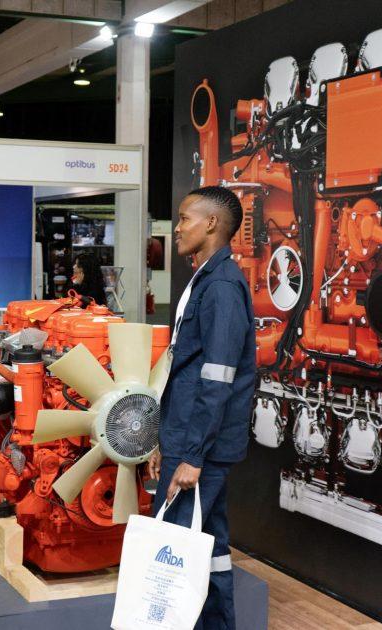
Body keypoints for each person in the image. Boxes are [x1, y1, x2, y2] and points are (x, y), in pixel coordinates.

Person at [147, 186, 256, 630]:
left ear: (211, 223)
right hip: (186, 434)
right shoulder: (206, 279)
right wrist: (162, 439)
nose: (177, 228)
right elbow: (187, 369)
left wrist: (191, 455)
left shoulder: (222, 287)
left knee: (171, 551)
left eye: (184, 218)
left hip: (199, 444)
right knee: (209, 548)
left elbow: (218, 379)